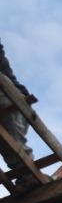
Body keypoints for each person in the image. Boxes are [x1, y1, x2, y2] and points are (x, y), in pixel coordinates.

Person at [0, 42, 37, 182]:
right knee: (9, 141)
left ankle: (26, 173)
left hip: (12, 97)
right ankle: (25, 173)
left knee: (11, 138)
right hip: (13, 98)